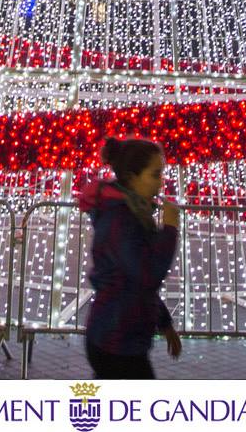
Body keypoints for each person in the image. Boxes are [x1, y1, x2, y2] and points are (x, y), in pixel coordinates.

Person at [76, 136, 183, 379]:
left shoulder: (134, 213)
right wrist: (170, 229)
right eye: (155, 175)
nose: (161, 182)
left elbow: (137, 281)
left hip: (123, 336)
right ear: (134, 177)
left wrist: (164, 323)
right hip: (115, 339)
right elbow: (148, 275)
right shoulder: (121, 219)